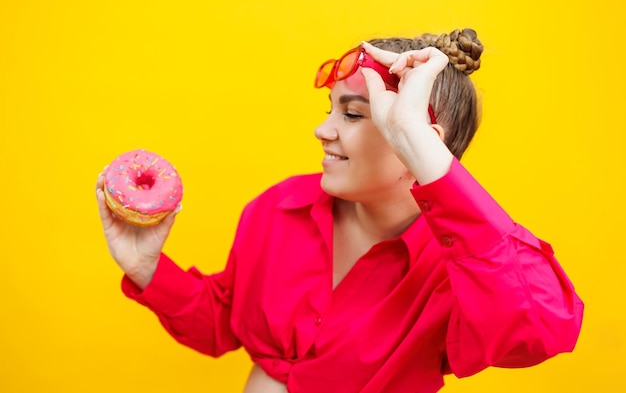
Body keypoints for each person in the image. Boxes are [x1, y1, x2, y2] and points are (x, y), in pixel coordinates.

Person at [95, 28, 584, 393]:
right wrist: (146, 268)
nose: (322, 130)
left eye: (351, 114)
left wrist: (428, 157)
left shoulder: (460, 270)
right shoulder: (278, 209)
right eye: (329, 109)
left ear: (417, 142)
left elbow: (542, 328)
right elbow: (224, 321)